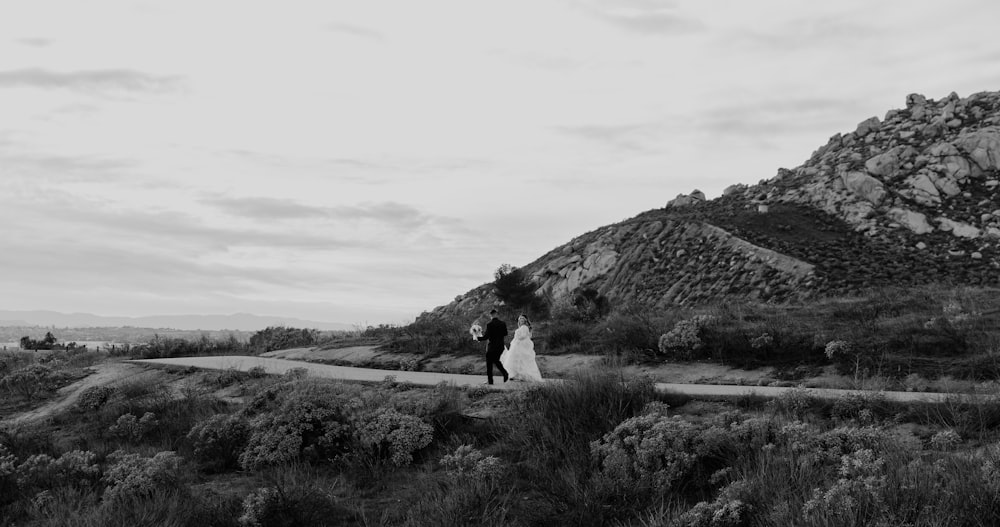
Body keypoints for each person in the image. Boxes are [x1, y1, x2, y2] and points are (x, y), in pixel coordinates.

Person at [501, 314, 543, 382]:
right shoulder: (522, 327)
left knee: (520, 360)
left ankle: (519, 375)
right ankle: (516, 375)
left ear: (525, 320)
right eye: (520, 319)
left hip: (521, 344)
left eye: (522, 318)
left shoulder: (524, 327)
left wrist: (517, 336)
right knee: (517, 360)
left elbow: (523, 336)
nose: (521, 320)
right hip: (518, 344)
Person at [477, 309, 509, 384]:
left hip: (492, 347)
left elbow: (486, 337)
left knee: (489, 363)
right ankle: (504, 373)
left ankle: (491, 381)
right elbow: (505, 333)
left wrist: (477, 338)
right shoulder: (503, 323)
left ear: (491, 315)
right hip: (500, 346)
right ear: (497, 314)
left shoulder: (489, 324)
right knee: (496, 360)